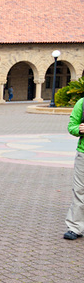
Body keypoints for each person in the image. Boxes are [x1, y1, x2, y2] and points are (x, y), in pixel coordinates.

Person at [63, 96, 84, 240]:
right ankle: (75, 227)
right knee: (79, 190)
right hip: (83, 154)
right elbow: (72, 126)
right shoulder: (82, 103)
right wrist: (79, 129)